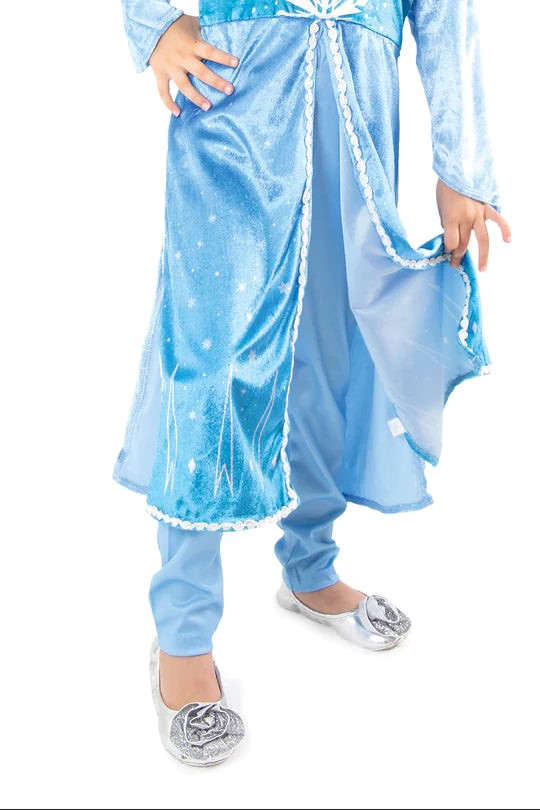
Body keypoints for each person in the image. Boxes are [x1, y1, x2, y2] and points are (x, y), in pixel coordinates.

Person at [115, 0, 511, 766]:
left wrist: (461, 164)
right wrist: (152, 24)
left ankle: (310, 566)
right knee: (214, 361)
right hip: (236, 90)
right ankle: (183, 634)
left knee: (333, 346)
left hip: (360, 98)